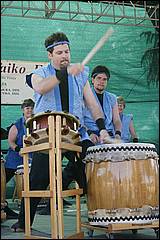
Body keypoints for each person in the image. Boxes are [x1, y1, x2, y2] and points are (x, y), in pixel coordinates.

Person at [11, 32, 110, 232]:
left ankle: (103, 216)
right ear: (50, 55)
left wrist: (101, 128)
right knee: (38, 179)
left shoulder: (80, 75)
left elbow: (92, 104)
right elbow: (40, 88)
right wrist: (64, 73)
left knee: (92, 170)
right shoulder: (39, 73)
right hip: (46, 134)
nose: (65, 55)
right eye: (60, 52)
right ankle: (23, 223)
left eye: (67, 51)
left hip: (75, 132)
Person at [3, 99, 34, 219]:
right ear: (23, 109)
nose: (29, 110)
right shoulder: (16, 125)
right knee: (3, 180)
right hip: (16, 157)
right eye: (27, 108)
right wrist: (18, 150)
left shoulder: (36, 123)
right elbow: (11, 141)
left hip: (30, 156)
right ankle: (3, 205)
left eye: (31, 108)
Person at [83, 65, 122, 145]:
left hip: (108, 137)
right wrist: (89, 133)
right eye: (99, 78)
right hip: (91, 136)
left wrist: (118, 134)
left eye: (104, 79)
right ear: (93, 80)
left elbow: (117, 120)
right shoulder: (84, 96)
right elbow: (79, 119)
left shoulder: (112, 98)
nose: (102, 81)